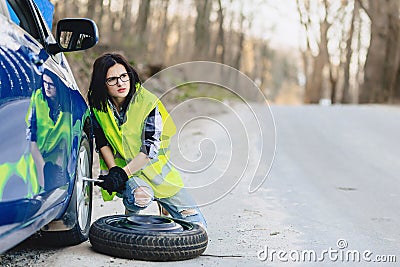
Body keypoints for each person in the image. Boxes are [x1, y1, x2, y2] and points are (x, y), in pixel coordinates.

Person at [88, 53, 207, 229]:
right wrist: (114, 171)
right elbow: (102, 142)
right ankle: (130, 216)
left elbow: (149, 148)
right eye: (112, 79)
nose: (120, 83)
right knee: (140, 196)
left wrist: (122, 173)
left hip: (158, 174)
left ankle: (163, 203)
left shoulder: (148, 102)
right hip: (133, 176)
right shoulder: (98, 104)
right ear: (102, 83)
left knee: (199, 228)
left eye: (123, 76)